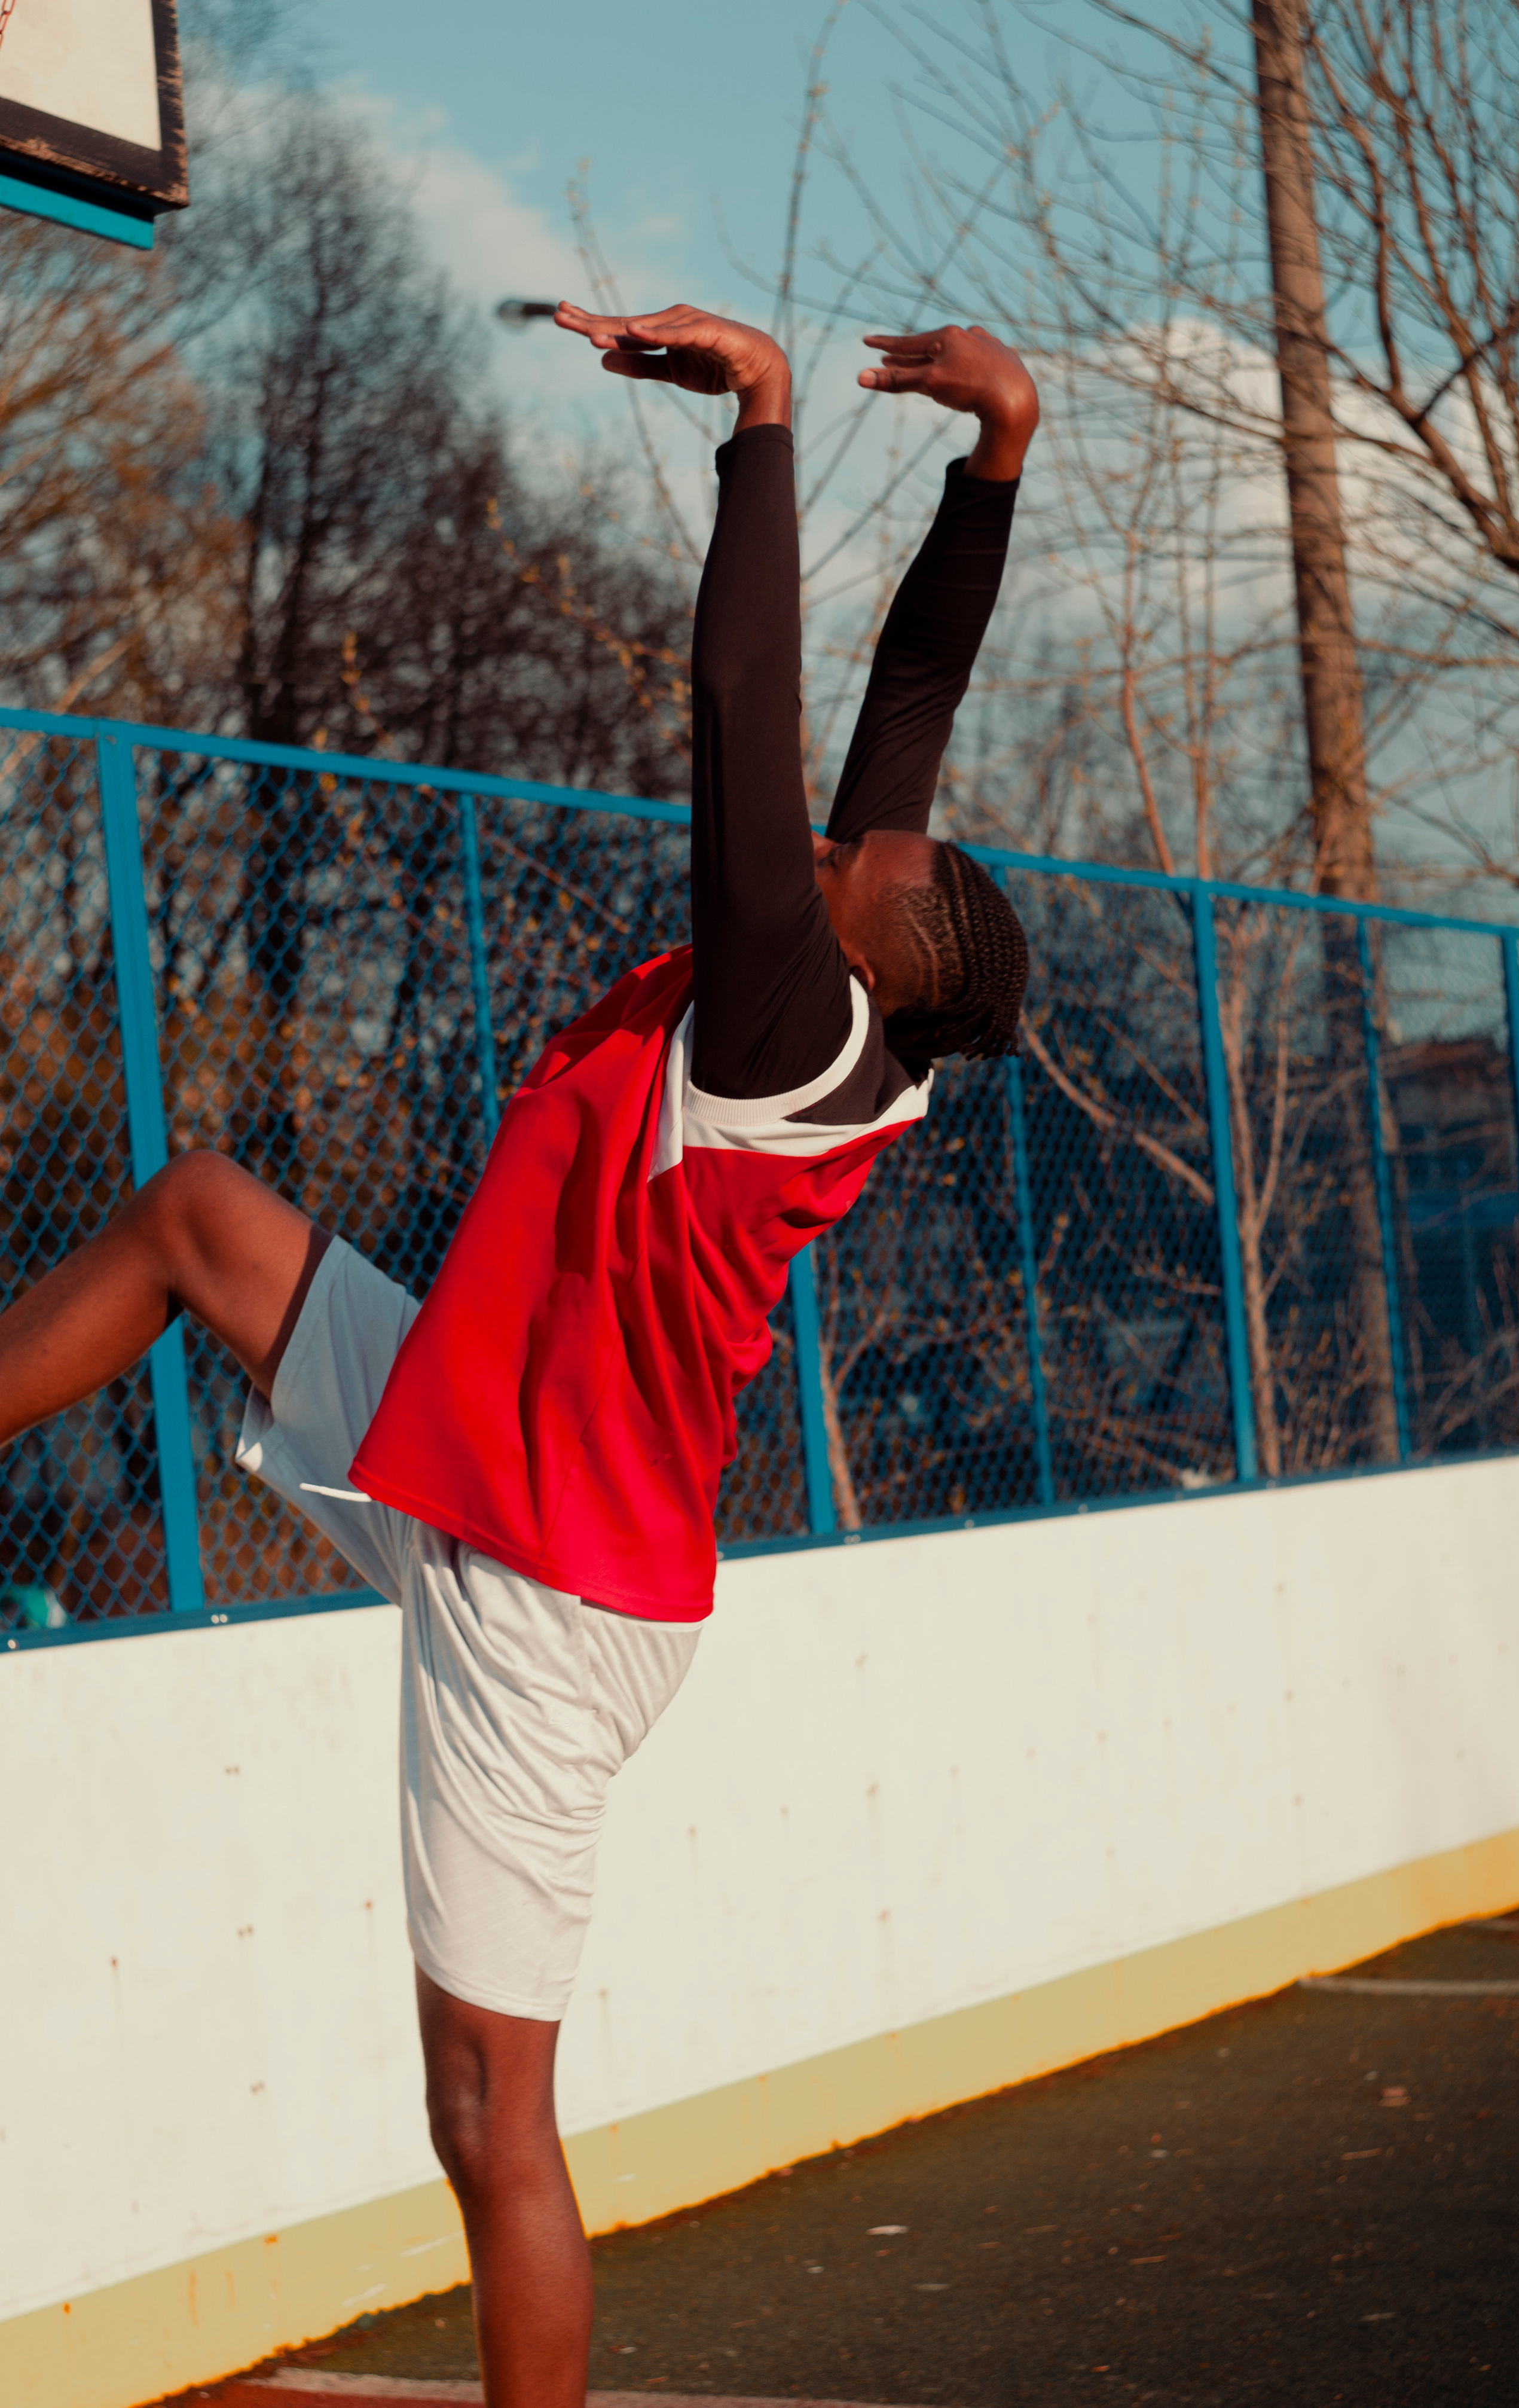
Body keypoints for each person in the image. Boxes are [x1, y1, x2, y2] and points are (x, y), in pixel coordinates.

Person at [0, 303, 1037, 2406]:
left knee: (489, 2119)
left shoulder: (777, 1026)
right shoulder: (860, 990)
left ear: (864, 942)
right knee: (201, 1217)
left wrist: (764, 417)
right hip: (499, 1453)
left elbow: (743, 701)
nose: (856, 825)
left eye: (868, 852)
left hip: (550, 1598)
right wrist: (998, 448)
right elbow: (910, 695)